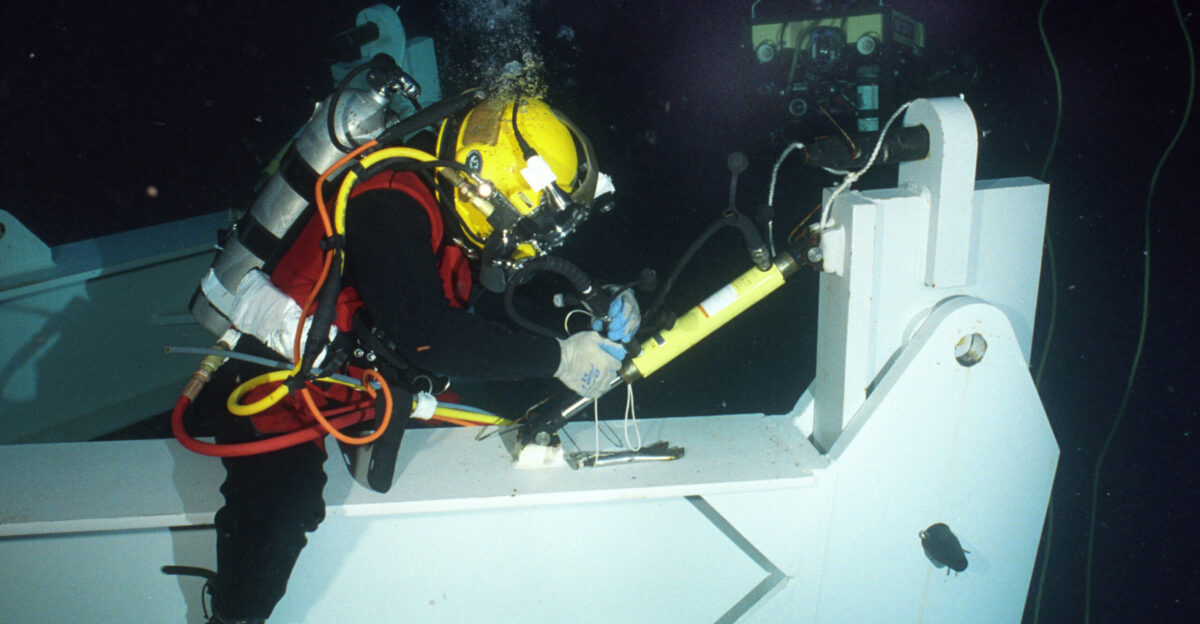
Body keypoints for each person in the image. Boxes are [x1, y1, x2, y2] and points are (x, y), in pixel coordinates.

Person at [185, 96, 639, 624]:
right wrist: (557, 357)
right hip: (279, 378)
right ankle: (233, 616)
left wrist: (585, 310)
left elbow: (493, 302)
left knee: (475, 444)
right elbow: (429, 335)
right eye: (528, 225)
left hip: (361, 378)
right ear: (484, 183)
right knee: (283, 511)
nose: (526, 244)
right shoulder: (390, 200)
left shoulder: (450, 206)